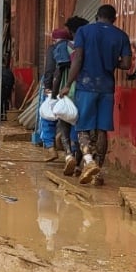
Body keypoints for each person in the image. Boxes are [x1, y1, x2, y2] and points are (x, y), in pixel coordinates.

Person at [64, 5, 131, 185]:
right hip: (107, 87)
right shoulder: (121, 35)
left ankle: (89, 161)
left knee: (82, 126)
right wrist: (109, 59)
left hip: (86, 85)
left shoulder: (84, 32)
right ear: (114, 19)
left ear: (96, 16)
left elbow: (77, 59)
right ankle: (98, 172)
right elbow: (126, 64)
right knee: (102, 130)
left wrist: (68, 83)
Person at [57, 16, 89, 174]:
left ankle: (68, 154)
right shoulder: (89, 45)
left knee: (64, 122)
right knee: (80, 125)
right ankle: (78, 161)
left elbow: (58, 70)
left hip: (68, 89)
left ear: (70, 31)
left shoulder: (64, 46)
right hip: (85, 89)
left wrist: (55, 91)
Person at [39, 28, 72, 161]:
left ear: (54, 39)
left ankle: (50, 147)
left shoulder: (54, 49)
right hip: (71, 89)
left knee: (47, 117)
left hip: (55, 87)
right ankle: (71, 152)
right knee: (69, 118)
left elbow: (49, 70)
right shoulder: (74, 48)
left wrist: (47, 87)